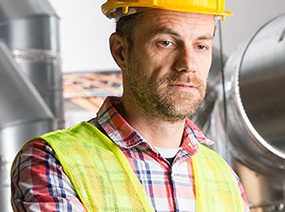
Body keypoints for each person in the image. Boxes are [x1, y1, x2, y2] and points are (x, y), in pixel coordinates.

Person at [11, 0, 250, 211]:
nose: (187, 64)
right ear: (121, 51)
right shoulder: (53, 162)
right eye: (166, 42)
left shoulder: (225, 178)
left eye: (201, 46)